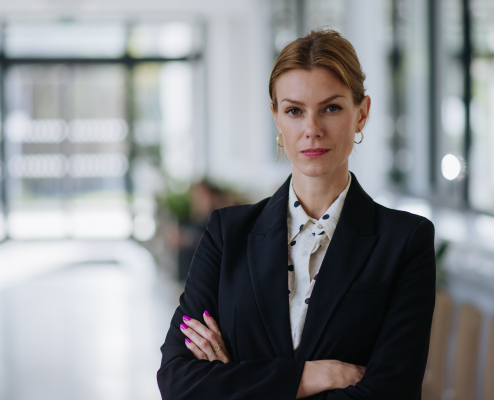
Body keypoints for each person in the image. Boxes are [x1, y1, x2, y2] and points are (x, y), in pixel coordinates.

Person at [157, 29, 436, 399]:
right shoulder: (227, 234)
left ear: (361, 114)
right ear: (276, 118)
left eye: (331, 108)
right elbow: (178, 381)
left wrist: (238, 382)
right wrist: (308, 377)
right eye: (294, 111)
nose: (312, 130)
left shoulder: (405, 241)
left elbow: (390, 392)